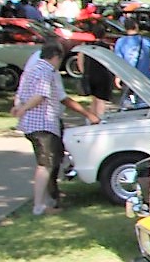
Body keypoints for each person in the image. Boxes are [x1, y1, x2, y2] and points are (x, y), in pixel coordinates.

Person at [11, 40, 99, 215]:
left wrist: (18, 105)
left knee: (48, 164)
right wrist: (23, 108)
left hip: (32, 124)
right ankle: (39, 206)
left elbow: (21, 92)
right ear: (56, 57)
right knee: (45, 165)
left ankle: (48, 200)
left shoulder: (31, 69)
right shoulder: (46, 71)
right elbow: (41, 95)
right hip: (42, 123)